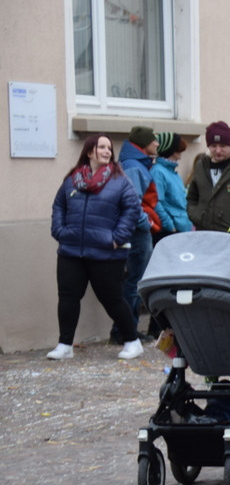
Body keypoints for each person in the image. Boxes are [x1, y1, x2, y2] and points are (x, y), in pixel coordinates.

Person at [49, 134, 144, 360]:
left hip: (106, 252)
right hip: (71, 250)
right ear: (90, 151)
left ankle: (133, 341)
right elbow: (59, 206)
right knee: (68, 297)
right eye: (101, 147)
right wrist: (59, 232)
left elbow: (132, 210)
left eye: (109, 148)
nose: (107, 151)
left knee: (112, 299)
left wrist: (116, 238)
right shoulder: (72, 179)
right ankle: (65, 345)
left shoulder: (120, 180)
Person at [112, 125, 158, 347]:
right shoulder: (133, 166)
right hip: (137, 231)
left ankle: (123, 328)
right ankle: (125, 329)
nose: (157, 144)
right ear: (143, 143)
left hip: (136, 228)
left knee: (133, 279)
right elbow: (132, 202)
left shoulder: (136, 163)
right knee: (135, 281)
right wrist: (145, 222)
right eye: (153, 140)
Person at [150, 132, 193, 242]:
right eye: (179, 147)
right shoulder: (158, 171)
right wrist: (170, 226)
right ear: (172, 150)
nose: (182, 151)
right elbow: (156, 202)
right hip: (170, 232)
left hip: (182, 229)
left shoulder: (173, 172)